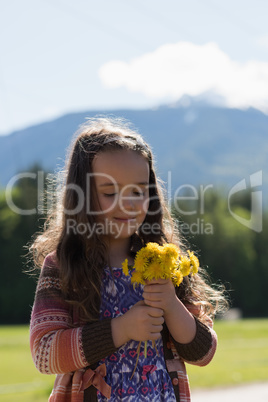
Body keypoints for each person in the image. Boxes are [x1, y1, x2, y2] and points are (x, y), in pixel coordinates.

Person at [29, 117, 227, 402]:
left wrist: (171, 304)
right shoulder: (64, 265)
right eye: (110, 192)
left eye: (138, 191)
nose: (129, 203)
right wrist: (121, 329)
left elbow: (204, 352)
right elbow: (45, 354)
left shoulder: (164, 262)